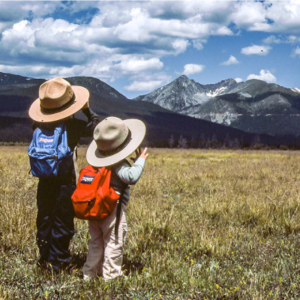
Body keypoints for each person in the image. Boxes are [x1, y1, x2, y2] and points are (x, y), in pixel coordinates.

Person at [28, 77, 101, 270]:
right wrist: (86, 109)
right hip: (64, 181)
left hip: (44, 179)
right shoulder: (73, 127)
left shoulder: (38, 125)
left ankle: (44, 258)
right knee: (62, 220)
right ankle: (58, 262)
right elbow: (98, 126)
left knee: (44, 217)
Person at [82, 116, 148, 281]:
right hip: (112, 208)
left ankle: (90, 273)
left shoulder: (97, 163)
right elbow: (131, 177)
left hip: (94, 207)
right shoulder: (118, 163)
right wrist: (140, 161)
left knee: (96, 241)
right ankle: (111, 276)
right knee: (114, 240)